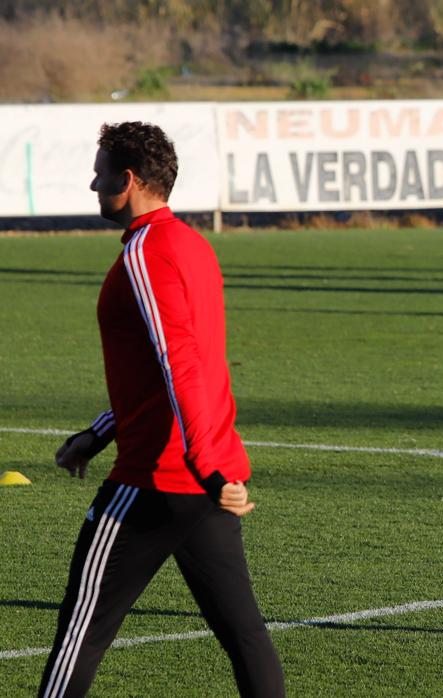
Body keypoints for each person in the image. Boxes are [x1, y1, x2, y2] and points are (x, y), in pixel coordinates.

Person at [38, 122, 285, 698]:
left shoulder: (148, 253)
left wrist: (204, 463)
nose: (92, 183)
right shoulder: (190, 244)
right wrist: (98, 433)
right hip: (204, 482)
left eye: (100, 173)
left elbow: (182, 366)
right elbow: (165, 371)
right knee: (245, 635)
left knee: (81, 635)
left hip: (158, 479)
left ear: (127, 180)